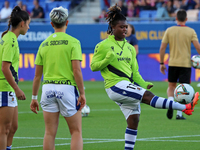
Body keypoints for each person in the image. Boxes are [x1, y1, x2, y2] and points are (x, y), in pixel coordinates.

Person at [90, 4, 199, 150]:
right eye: (121, 27)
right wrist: (106, 60)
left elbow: (134, 72)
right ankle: (184, 107)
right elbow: (93, 66)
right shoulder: (103, 46)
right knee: (147, 96)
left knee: (134, 120)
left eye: (126, 27)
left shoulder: (129, 47)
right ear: (113, 28)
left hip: (126, 85)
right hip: (114, 85)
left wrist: (143, 83)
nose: (125, 29)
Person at [30, 6, 86, 150]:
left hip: (47, 88)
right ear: (67, 22)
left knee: (49, 133)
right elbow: (76, 70)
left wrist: (34, 97)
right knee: (76, 132)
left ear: (51, 24)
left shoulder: (43, 44)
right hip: (66, 88)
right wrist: (82, 93)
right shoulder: (73, 42)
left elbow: (37, 76)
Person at [159, 9, 200, 120]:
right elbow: (198, 47)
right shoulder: (191, 31)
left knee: (171, 86)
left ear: (176, 18)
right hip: (185, 64)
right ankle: (179, 114)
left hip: (173, 63)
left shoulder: (169, 30)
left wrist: (162, 63)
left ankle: (170, 102)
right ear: (186, 19)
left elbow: (162, 47)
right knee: (184, 89)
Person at [0, 6, 30, 150]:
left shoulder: (8, 37)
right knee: (4, 130)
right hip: (4, 88)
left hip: (8, 88)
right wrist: (17, 89)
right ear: (22, 23)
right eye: (28, 24)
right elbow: (5, 67)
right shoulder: (11, 40)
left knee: (13, 127)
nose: (29, 27)